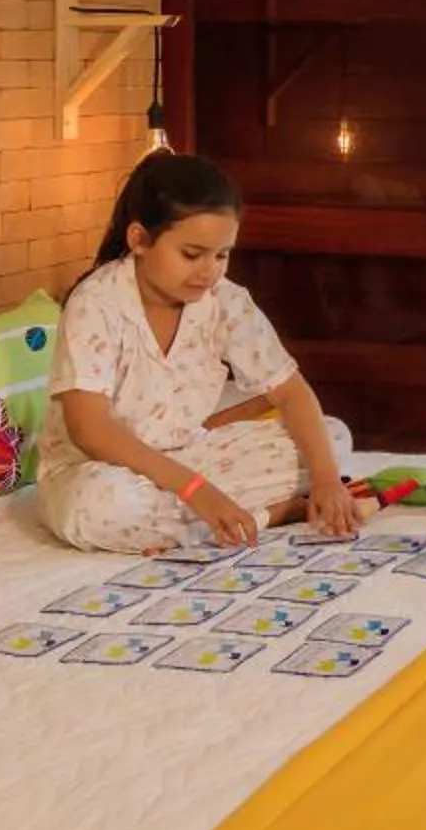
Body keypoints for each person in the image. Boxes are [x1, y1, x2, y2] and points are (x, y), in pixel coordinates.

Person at [41, 152, 361, 554]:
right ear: (139, 240)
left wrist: (328, 481)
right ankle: (267, 514)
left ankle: (202, 521)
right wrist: (197, 490)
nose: (209, 271)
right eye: (192, 255)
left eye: (222, 255)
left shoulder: (225, 301)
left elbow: (290, 392)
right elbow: (90, 431)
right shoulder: (96, 304)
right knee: (95, 507)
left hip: (189, 455)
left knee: (330, 438)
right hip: (103, 470)